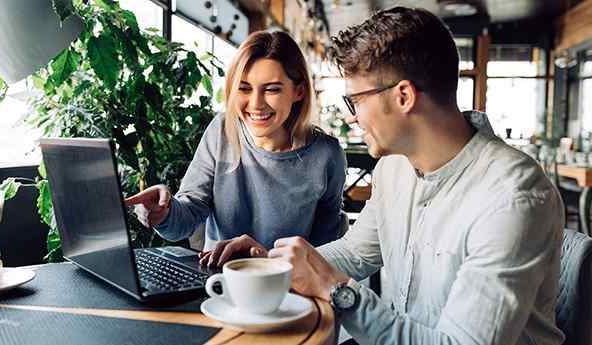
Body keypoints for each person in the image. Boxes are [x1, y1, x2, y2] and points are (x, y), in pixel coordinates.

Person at [207, 7, 565, 345]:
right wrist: (269, 265)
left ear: (404, 96)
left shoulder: (513, 198)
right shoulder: (394, 167)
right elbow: (355, 252)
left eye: (356, 101)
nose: (352, 117)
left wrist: (338, 291)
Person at [125, 30, 347, 267]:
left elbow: (324, 254)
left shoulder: (326, 155)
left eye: (272, 89)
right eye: (244, 88)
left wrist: (266, 261)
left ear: (298, 92)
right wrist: (164, 212)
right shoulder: (221, 130)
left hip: (288, 287)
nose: (256, 104)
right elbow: (186, 217)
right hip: (217, 280)